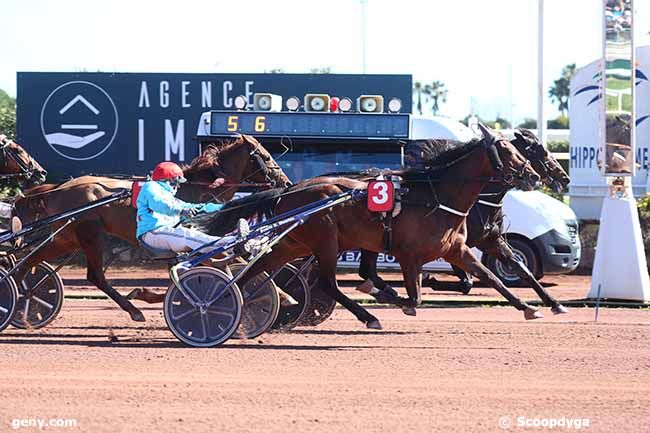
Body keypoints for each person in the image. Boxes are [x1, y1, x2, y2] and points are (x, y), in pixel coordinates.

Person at [136, 161, 254, 254]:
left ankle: (254, 244)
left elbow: (195, 207)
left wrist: (223, 207)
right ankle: (234, 244)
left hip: (164, 233)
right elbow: (160, 204)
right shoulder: (151, 187)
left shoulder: (171, 198)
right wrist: (182, 210)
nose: (178, 185)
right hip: (152, 233)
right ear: (169, 180)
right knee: (186, 234)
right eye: (177, 181)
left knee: (195, 231)